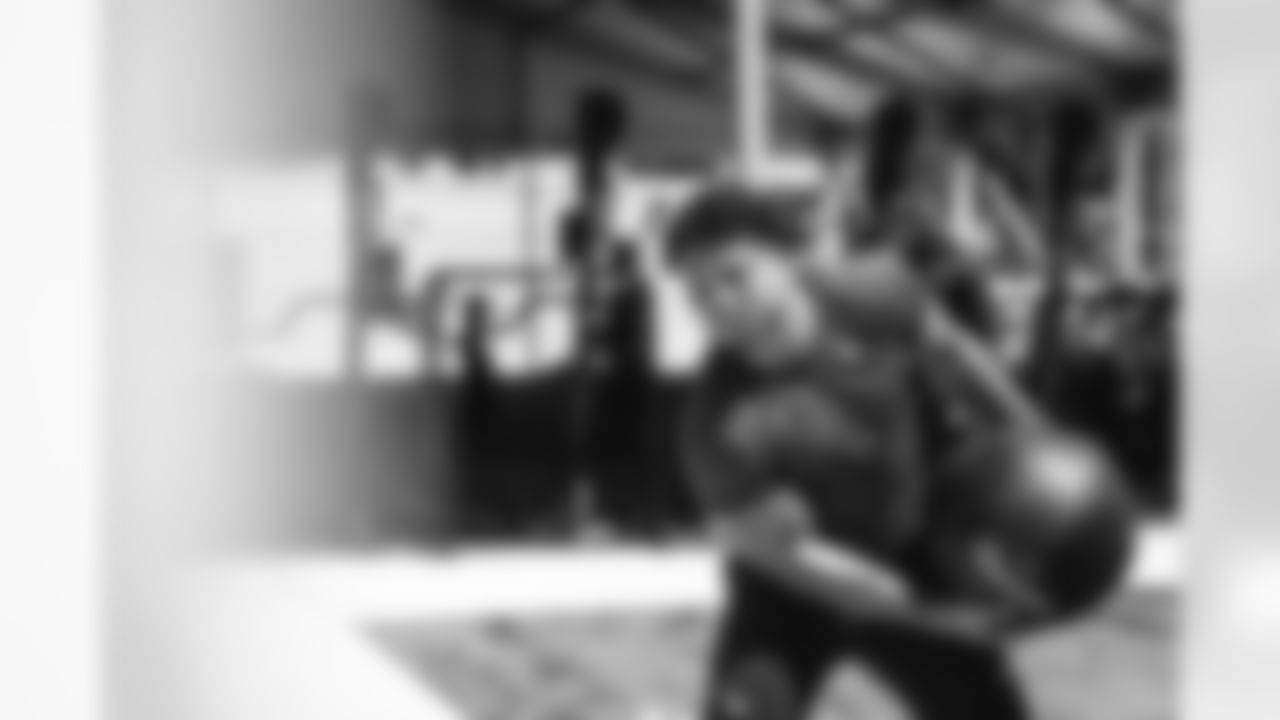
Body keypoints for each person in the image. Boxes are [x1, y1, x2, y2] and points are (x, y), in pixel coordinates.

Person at [668, 187, 1048, 720]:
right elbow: (805, 565)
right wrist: (944, 622)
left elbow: (958, 361)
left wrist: (1045, 449)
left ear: (790, 258)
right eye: (698, 293)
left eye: (735, 275)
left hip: (909, 552)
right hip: (789, 594)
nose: (718, 304)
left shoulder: (873, 293)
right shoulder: (717, 426)